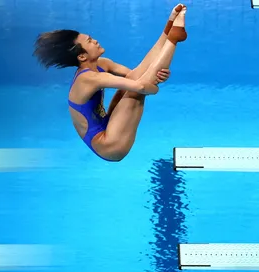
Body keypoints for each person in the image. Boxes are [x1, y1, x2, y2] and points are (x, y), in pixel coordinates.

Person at [33, 4, 188, 162]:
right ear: (81, 57)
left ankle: (169, 32)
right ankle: (173, 40)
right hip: (109, 147)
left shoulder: (102, 64)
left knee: (132, 81)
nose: (95, 41)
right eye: (90, 41)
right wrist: (154, 88)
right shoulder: (88, 79)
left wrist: (155, 77)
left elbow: (137, 74)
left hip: (109, 127)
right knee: (135, 92)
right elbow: (141, 87)